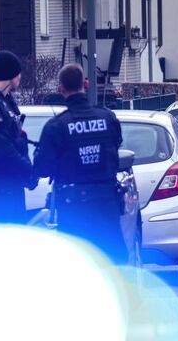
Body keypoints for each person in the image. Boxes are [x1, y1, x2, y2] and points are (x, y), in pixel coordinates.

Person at [33, 64, 126, 262]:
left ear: (60, 89)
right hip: (106, 204)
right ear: (86, 84)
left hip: (73, 208)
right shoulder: (108, 118)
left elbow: (42, 168)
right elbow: (116, 145)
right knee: (114, 264)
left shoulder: (56, 126)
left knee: (79, 265)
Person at [0, 50, 33, 224]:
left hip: (11, 187)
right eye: (18, 73)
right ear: (11, 75)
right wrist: (29, 170)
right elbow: (1, 150)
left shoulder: (6, 101)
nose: (20, 77)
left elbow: (17, 140)